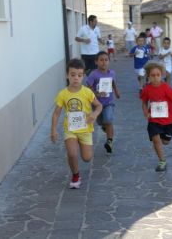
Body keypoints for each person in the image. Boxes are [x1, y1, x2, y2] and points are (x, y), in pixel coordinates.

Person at [51, 59, 103, 189]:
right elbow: (56, 113)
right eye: (73, 75)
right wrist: (53, 130)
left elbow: (99, 106)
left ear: (83, 76)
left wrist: (94, 114)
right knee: (72, 154)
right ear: (67, 75)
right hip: (70, 129)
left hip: (85, 129)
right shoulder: (62, 94)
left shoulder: (87, 92)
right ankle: (75, 175)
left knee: (87, 158)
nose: (76, 78)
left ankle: (81, 145)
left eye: (79, 75)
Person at [140, 62, 172, 172]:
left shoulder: (166, 88)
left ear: (161, 75)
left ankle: (158, 143)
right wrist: (146, 113)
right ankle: (162, 161)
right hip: (154, 120)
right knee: (156, 139)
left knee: (165, 142)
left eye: (158, 75)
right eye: (152, 75)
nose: (155, 78)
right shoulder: (147, 89)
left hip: (168, 121)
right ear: (148, 76)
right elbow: (144, 102)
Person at [86, 51, 121, 154]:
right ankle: (105, 127)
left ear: (109, 61)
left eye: (106, 60)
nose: (104, 62)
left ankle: (109, 142)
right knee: (101, 122)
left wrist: (116, 91)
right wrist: (97, 93)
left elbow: (113, 82)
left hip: (109, 102)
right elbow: (88, 88)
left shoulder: (112, 73)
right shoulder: (94, 74)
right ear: (96, 62)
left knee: (108, 119)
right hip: (97, 104)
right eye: (101, 60)